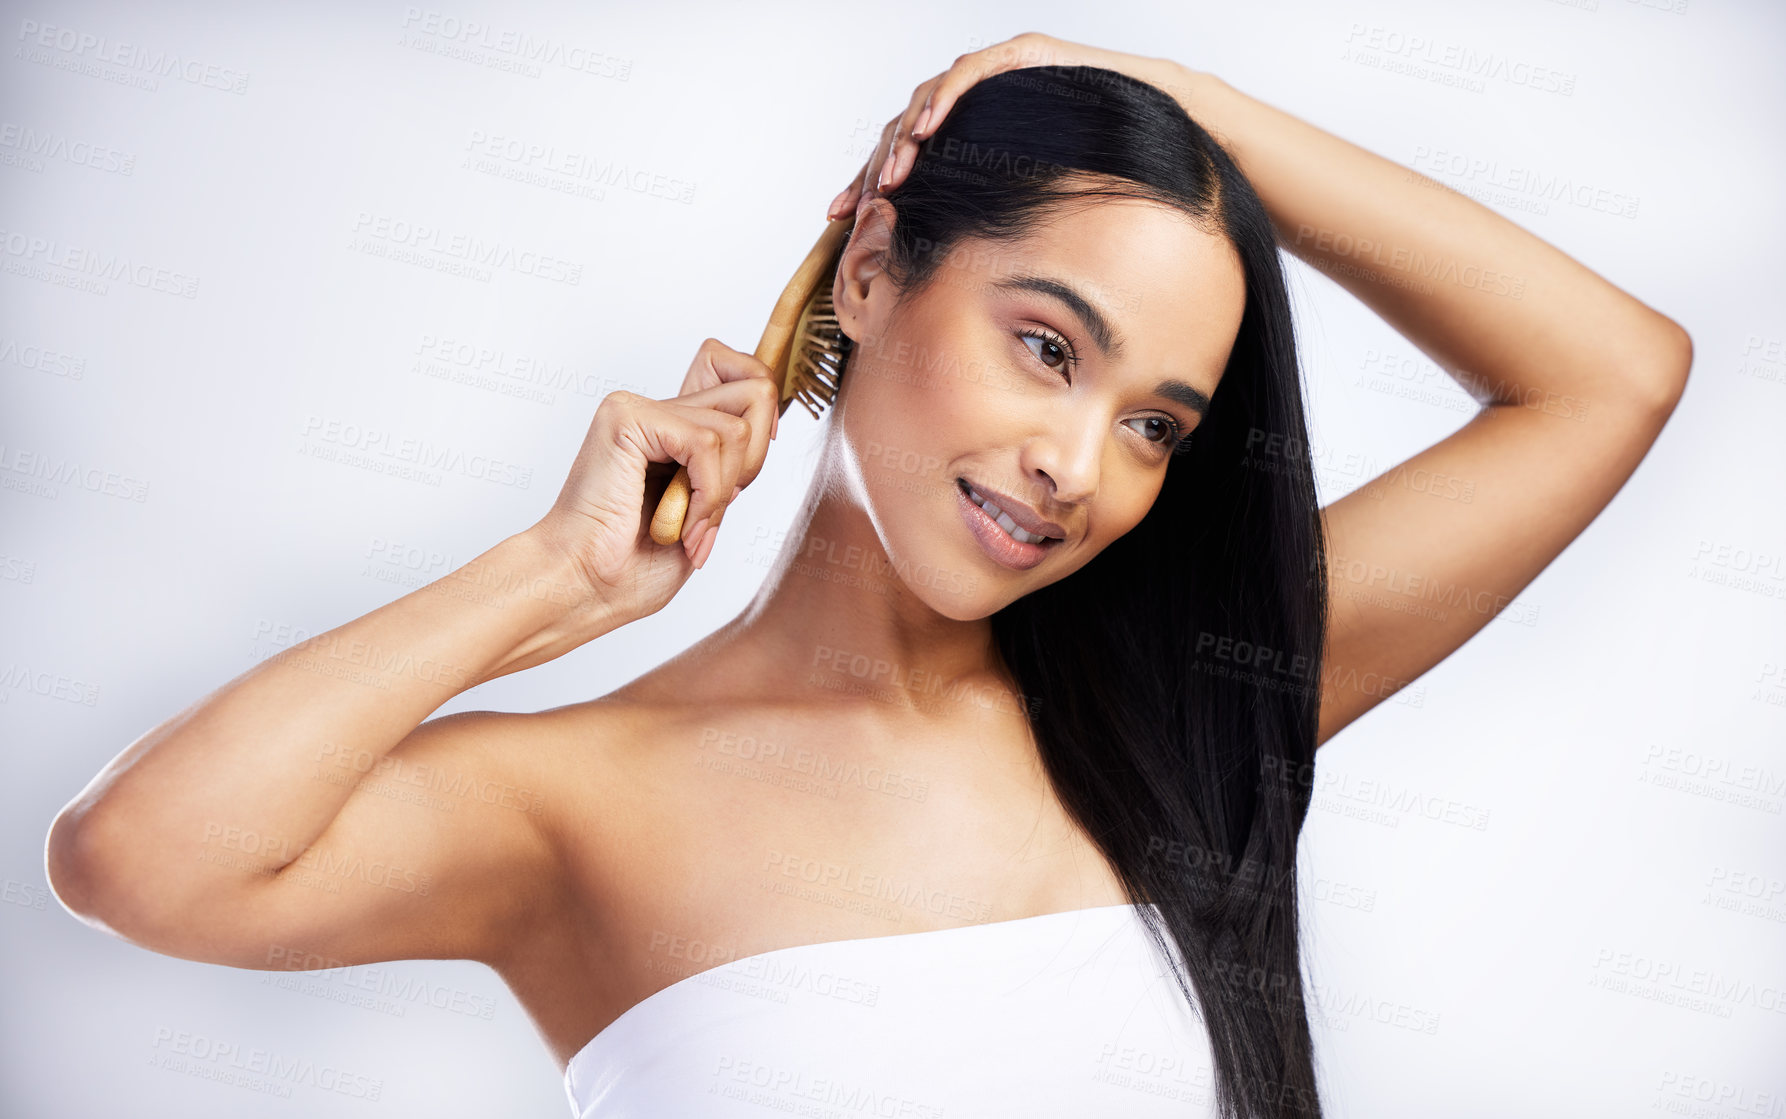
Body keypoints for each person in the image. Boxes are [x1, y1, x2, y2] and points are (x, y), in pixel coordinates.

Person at [44, 32, 1691, 1119]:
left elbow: (1613, 371)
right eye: (1045, 345)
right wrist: (549, 578)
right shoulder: (577, 803)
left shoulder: (1181, 712)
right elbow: (141, 860)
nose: (1077, 463)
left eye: (1154, 426)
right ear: (874, 263)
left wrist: (1156, 95)